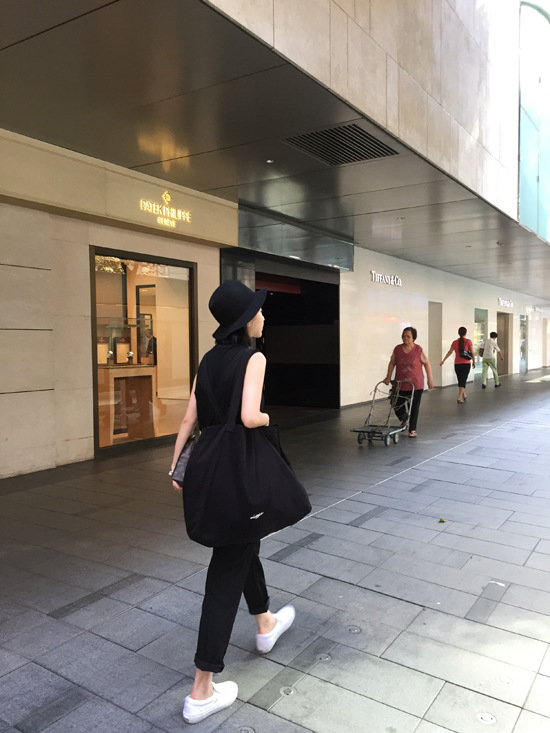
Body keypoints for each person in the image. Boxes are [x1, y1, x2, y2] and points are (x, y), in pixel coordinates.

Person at [170, 280, 295, 725]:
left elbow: (190, 418)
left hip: (209, 467)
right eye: (257, 311)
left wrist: (176, 466)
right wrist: (269, 416)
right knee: (227, 570)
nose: (263, 316)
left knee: (242, 545)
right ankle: (201, 689)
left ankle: (264, 623)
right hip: (239, 473)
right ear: (245, 321)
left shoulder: (207, 360)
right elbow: (248, 416)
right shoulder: (254, 357)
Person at [382, 326, 434, 438]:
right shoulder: (397, 349)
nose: (405, 338)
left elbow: (426, 363)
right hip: (400, 383)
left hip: (416, 384)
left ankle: (412, 429)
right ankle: (404, 418)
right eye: (403, 336)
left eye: (408, 336)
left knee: (414, 406)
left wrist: (430, 379)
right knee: (396, 403)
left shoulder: (418, 349)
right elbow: (392, 363)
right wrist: (388, 377)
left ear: (413, 338)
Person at [440, 326, 475, 403]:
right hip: (466, 364)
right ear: (465, 333)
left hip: (457, 364)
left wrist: (443, 360)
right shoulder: (468, 341)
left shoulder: (454, 342)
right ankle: (459, 397)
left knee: (460, 380)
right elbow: (472, 352)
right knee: (463, 380)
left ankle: (464, 394)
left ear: (458, 333)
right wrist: (474, 361)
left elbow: (450, 352)